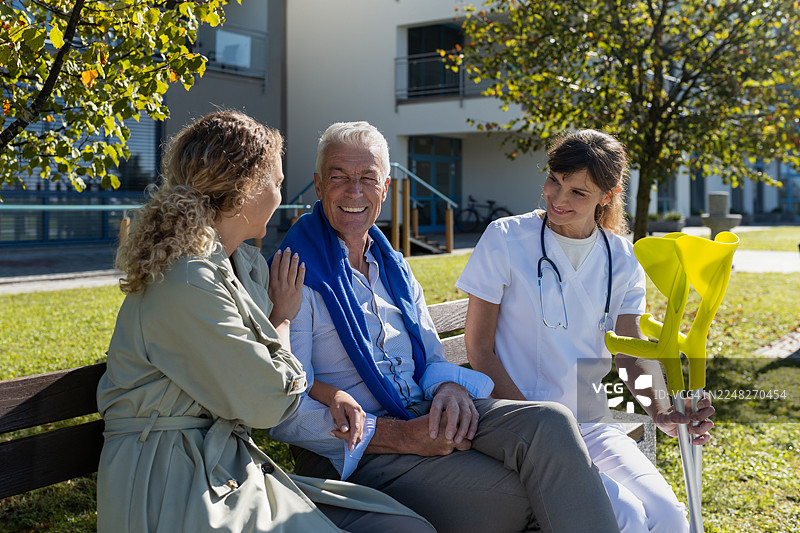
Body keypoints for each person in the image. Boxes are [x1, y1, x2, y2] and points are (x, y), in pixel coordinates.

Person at [268, 121, 622, 533]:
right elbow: (286, 410)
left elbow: (434, 358)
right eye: (338, 177)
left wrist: (450, 388)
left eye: (367, 178)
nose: (354, 191)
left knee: (552, 423)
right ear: (316, 184)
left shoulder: (394, 266)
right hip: (360, 449)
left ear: (385, 188)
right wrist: (401, 437)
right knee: (526, 495)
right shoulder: (296, 273)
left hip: (428, 413)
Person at [96, 111, 433, 533]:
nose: (280, 192)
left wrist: (329, 392)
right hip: (171, 480)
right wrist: (283, 317)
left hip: (225, 463)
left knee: (403, 525)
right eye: (274, 181)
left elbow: (265, 374)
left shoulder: (242, 264)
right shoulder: (186, 278)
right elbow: (269, 401)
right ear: (243, 191)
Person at [455, 129, 715, 533]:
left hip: (591, 422)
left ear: (606, 196)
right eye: (554, 182)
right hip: (521, 423)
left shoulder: (620, 257)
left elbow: (629, 354)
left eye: (578, 192)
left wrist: (663, 411)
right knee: (623, 515)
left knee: (669, 515)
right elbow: (479, 348)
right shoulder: (506, 238)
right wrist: (543, 431)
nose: (559, 199)